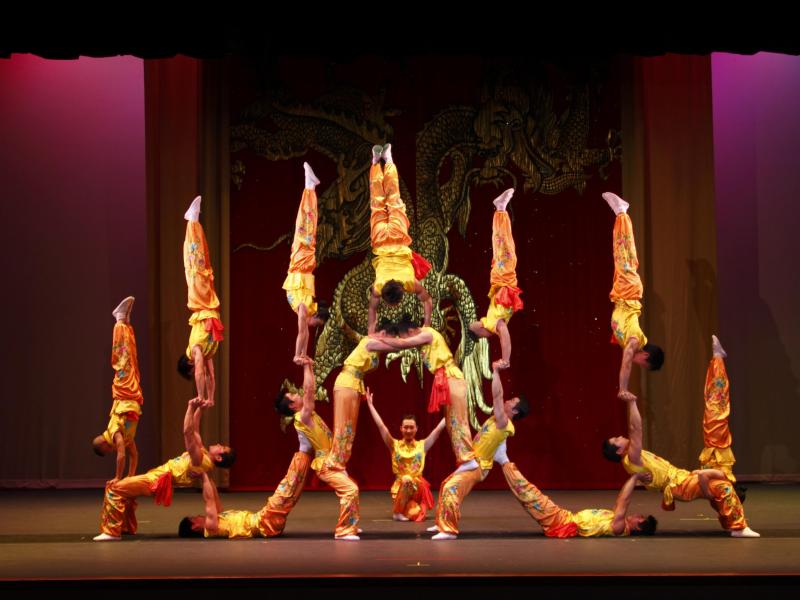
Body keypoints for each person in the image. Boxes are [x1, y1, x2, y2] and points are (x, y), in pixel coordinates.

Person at [602, 336, 758, 538]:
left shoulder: (633, 460)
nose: (620, 436)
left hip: (685, 477)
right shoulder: (631, 458)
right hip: (680, 486)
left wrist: (703, 478)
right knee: (723, 487)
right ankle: (738, 527)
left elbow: (703, 477)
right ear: (619, 451)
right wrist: (631, 403)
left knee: (716, 423)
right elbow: (636, 429)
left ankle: (718, 360)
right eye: (617, 440)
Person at [93, 397, 236, 541]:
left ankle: (111, 532)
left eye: (222, 447)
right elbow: (196, 429)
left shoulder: (199, 460)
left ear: (219, 458)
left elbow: (188, 432)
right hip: (156, 476)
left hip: (156, 481)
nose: (219, 444)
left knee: (115, 488)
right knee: (127, 492)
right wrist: (201, 409)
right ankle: (126, 527)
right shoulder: (203, 455)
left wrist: (190, 407)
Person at [429, 360, 529, 540]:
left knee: (452, 488)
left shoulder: (504, 422)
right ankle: (441, 521)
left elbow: (497, 396)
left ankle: (449, 530)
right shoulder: (497, 421)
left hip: (478, 467)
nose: (507, 400)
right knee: (447, 484)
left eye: (512, 401)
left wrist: (496, 372)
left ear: (515, 411)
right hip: (472, 462)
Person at [275, 357, 361, 540]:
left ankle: (351, 522)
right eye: (293, 396)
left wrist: (310, 368)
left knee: (350, 488)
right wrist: (307, 366)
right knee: (350, 490)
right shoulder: (302, 417)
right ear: (292, 405)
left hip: (333, 459)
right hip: (326, 464)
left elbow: (309, 392)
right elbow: (308, 391)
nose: (298, 394)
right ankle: (344, 531)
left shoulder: (307, 415)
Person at [602, 191, 664, 401]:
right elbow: (627, 363)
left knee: (620, 252)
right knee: (624, 252)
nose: (639, 364)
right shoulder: (634, 340)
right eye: (643, 364)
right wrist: (623, 388)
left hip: (622, 294)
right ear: (646, 356)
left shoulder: (631, 341)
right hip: (628, 292)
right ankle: (622, 212)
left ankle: (621, 213)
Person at [367, 143, 432, 334]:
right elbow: (372, 309)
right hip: (380, 239)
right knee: (377, 202)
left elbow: (427, 300)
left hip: (397, 236)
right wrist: (370, 331)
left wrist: (427, 324)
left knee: (393, 198)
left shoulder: (410, 283)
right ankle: (375, 163)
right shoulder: (378, 287)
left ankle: (388, 160)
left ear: (401, 292)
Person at [365, 387, 445, 521]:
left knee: (414, 496)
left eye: (411, 427)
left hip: (417, 489)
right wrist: (370, 405)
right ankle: (400, 510)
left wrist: (452, 409)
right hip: (401, 488)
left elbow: (438, 430)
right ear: (401, 429)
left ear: (416, 429)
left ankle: (400, 510)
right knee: (415, 512)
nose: (408, 430)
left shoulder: (422, 446)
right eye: (406, 427)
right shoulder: (394, 445)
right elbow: (381, 427)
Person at [468, 188, 523, 368]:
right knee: (504, 246)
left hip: (503, 280)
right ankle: (501, 209)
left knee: (503, 245)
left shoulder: (492, 324)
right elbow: (500, 334)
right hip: (504, 281)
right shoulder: (492, 325)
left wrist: (506, 358)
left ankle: (500, 208)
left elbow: (502, 333)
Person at [177, 195, 224, 406]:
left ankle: (192, 221)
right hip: (209, 304)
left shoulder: (195, 348)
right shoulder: (207, 353)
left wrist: (200, 396)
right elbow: (210, 375)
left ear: (189, 364)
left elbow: (200, 373)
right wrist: (210, 399)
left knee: (194, 267)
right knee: (203, 264)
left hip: (200, 303)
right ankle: (194, 221)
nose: (199, 368)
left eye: (194, 368)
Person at [283, 162, 330, 365]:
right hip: (300, 264)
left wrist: (303, 354)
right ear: (316, 315)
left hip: (302, 264)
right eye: (316, 323)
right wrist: (297, 354)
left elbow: (305, 333)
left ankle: (310, 186)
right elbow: (302, 332)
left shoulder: (305, 307)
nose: (312, 325)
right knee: (304, 225)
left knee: (307, 226)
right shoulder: (304, 307)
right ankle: (309, 186)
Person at [92, 296, 142, 484]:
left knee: (122, 358)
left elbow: (121, 455)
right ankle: (126, 324)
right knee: (132, 358)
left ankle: (119, 320)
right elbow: (134, 455)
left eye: (108, 451)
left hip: (124, 393)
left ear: (104, 445)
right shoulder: (127, 439)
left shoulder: (114, 432)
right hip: (133, 396)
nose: (112, 451)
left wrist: (118, 477)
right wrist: (130, 478)